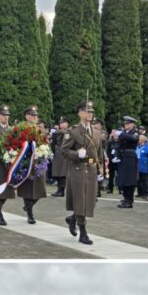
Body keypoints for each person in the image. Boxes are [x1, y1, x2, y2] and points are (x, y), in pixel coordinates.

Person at [61, 100, 102, 245]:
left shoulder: (97, 132)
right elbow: (64, 151)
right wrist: (76, 154)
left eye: (91, 112)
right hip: (78, 170)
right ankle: (83, 232)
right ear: (79, 113)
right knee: (80, 200)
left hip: (91, 170)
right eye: (86, 111)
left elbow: (99, 154)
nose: (89, 114)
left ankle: (73, 219)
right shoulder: (72, 131)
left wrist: (101, 169)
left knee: (90, 201)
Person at [17, 106, 48, 224]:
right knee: (27, 189)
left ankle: (29, 206)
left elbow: (45, 142)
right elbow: (15, 144)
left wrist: (44, 152)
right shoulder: (20, 129)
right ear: (26, 116)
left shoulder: (40, 129)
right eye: (32, 115)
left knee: (40, 190)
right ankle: (30, 212)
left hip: (39, 162)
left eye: (35, 115)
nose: (34, 117)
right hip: (26, 162)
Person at [116, 117, 140, 208]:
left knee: (129, 179)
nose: (125, 125)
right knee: (123, 178)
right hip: (123, 157)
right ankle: (126, 198)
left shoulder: (135, 132)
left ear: (133, 124)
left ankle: (129, 200)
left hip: (130, 157)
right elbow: (119, 144)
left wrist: (121, 134)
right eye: (125, 123)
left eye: (128, 123)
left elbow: (133, 139)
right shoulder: (124, 133)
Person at [50, 117, 70, 197]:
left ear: (67, 124)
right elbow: (53, 144)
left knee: (63, 173)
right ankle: (59, 189)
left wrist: (61, 131)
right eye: (61, 123)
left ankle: (62, 190)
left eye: (63, 123)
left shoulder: (69, 132)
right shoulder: (56, 133)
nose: (61, 124)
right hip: (57, 154)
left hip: (65, 155)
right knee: (57, 173)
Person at [136, 134, 148, 199]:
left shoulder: (147, 147)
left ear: (143, 140)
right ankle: (140, 193)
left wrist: (147, 164)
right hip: (137, 165)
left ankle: (145, 193)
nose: (138, 140)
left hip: (144, 166)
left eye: (139, 139)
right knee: (138, 180)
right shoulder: (137, 147)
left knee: (144, 180)